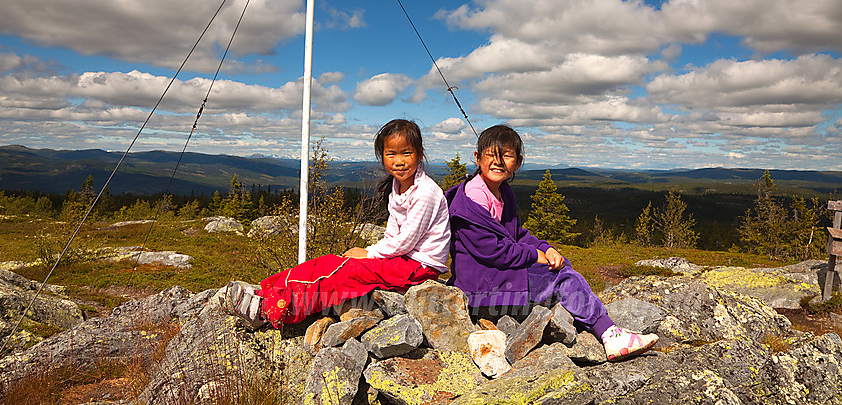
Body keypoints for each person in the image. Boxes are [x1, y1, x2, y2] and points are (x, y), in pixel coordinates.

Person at [445, 124, 658, 362]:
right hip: (480, 288)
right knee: (561, 278)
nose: (498, 162)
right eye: (491, 155)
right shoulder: (472, 199)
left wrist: (546, 248)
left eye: (506, 155)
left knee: (559, 267)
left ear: (517, 161)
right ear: (477, 158)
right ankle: (610, 334)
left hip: (491, 276)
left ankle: (598, 322)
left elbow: (516, 234)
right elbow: (494, 251)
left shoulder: (502, 192)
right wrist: (536, 256)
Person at [224, 119, 450, 330]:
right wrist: (374, 253)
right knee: (326, 263)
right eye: (391, 154)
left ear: (420, 154)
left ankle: (268, 312)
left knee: (344, 273)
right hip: (403, 259)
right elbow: (393, 232)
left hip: (419, 267)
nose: (399, 161)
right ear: (382, 156)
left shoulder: (425, 193)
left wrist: (370, 254)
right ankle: (265, 291)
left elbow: (405, 241)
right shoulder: (398, 185)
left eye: (406, 153)